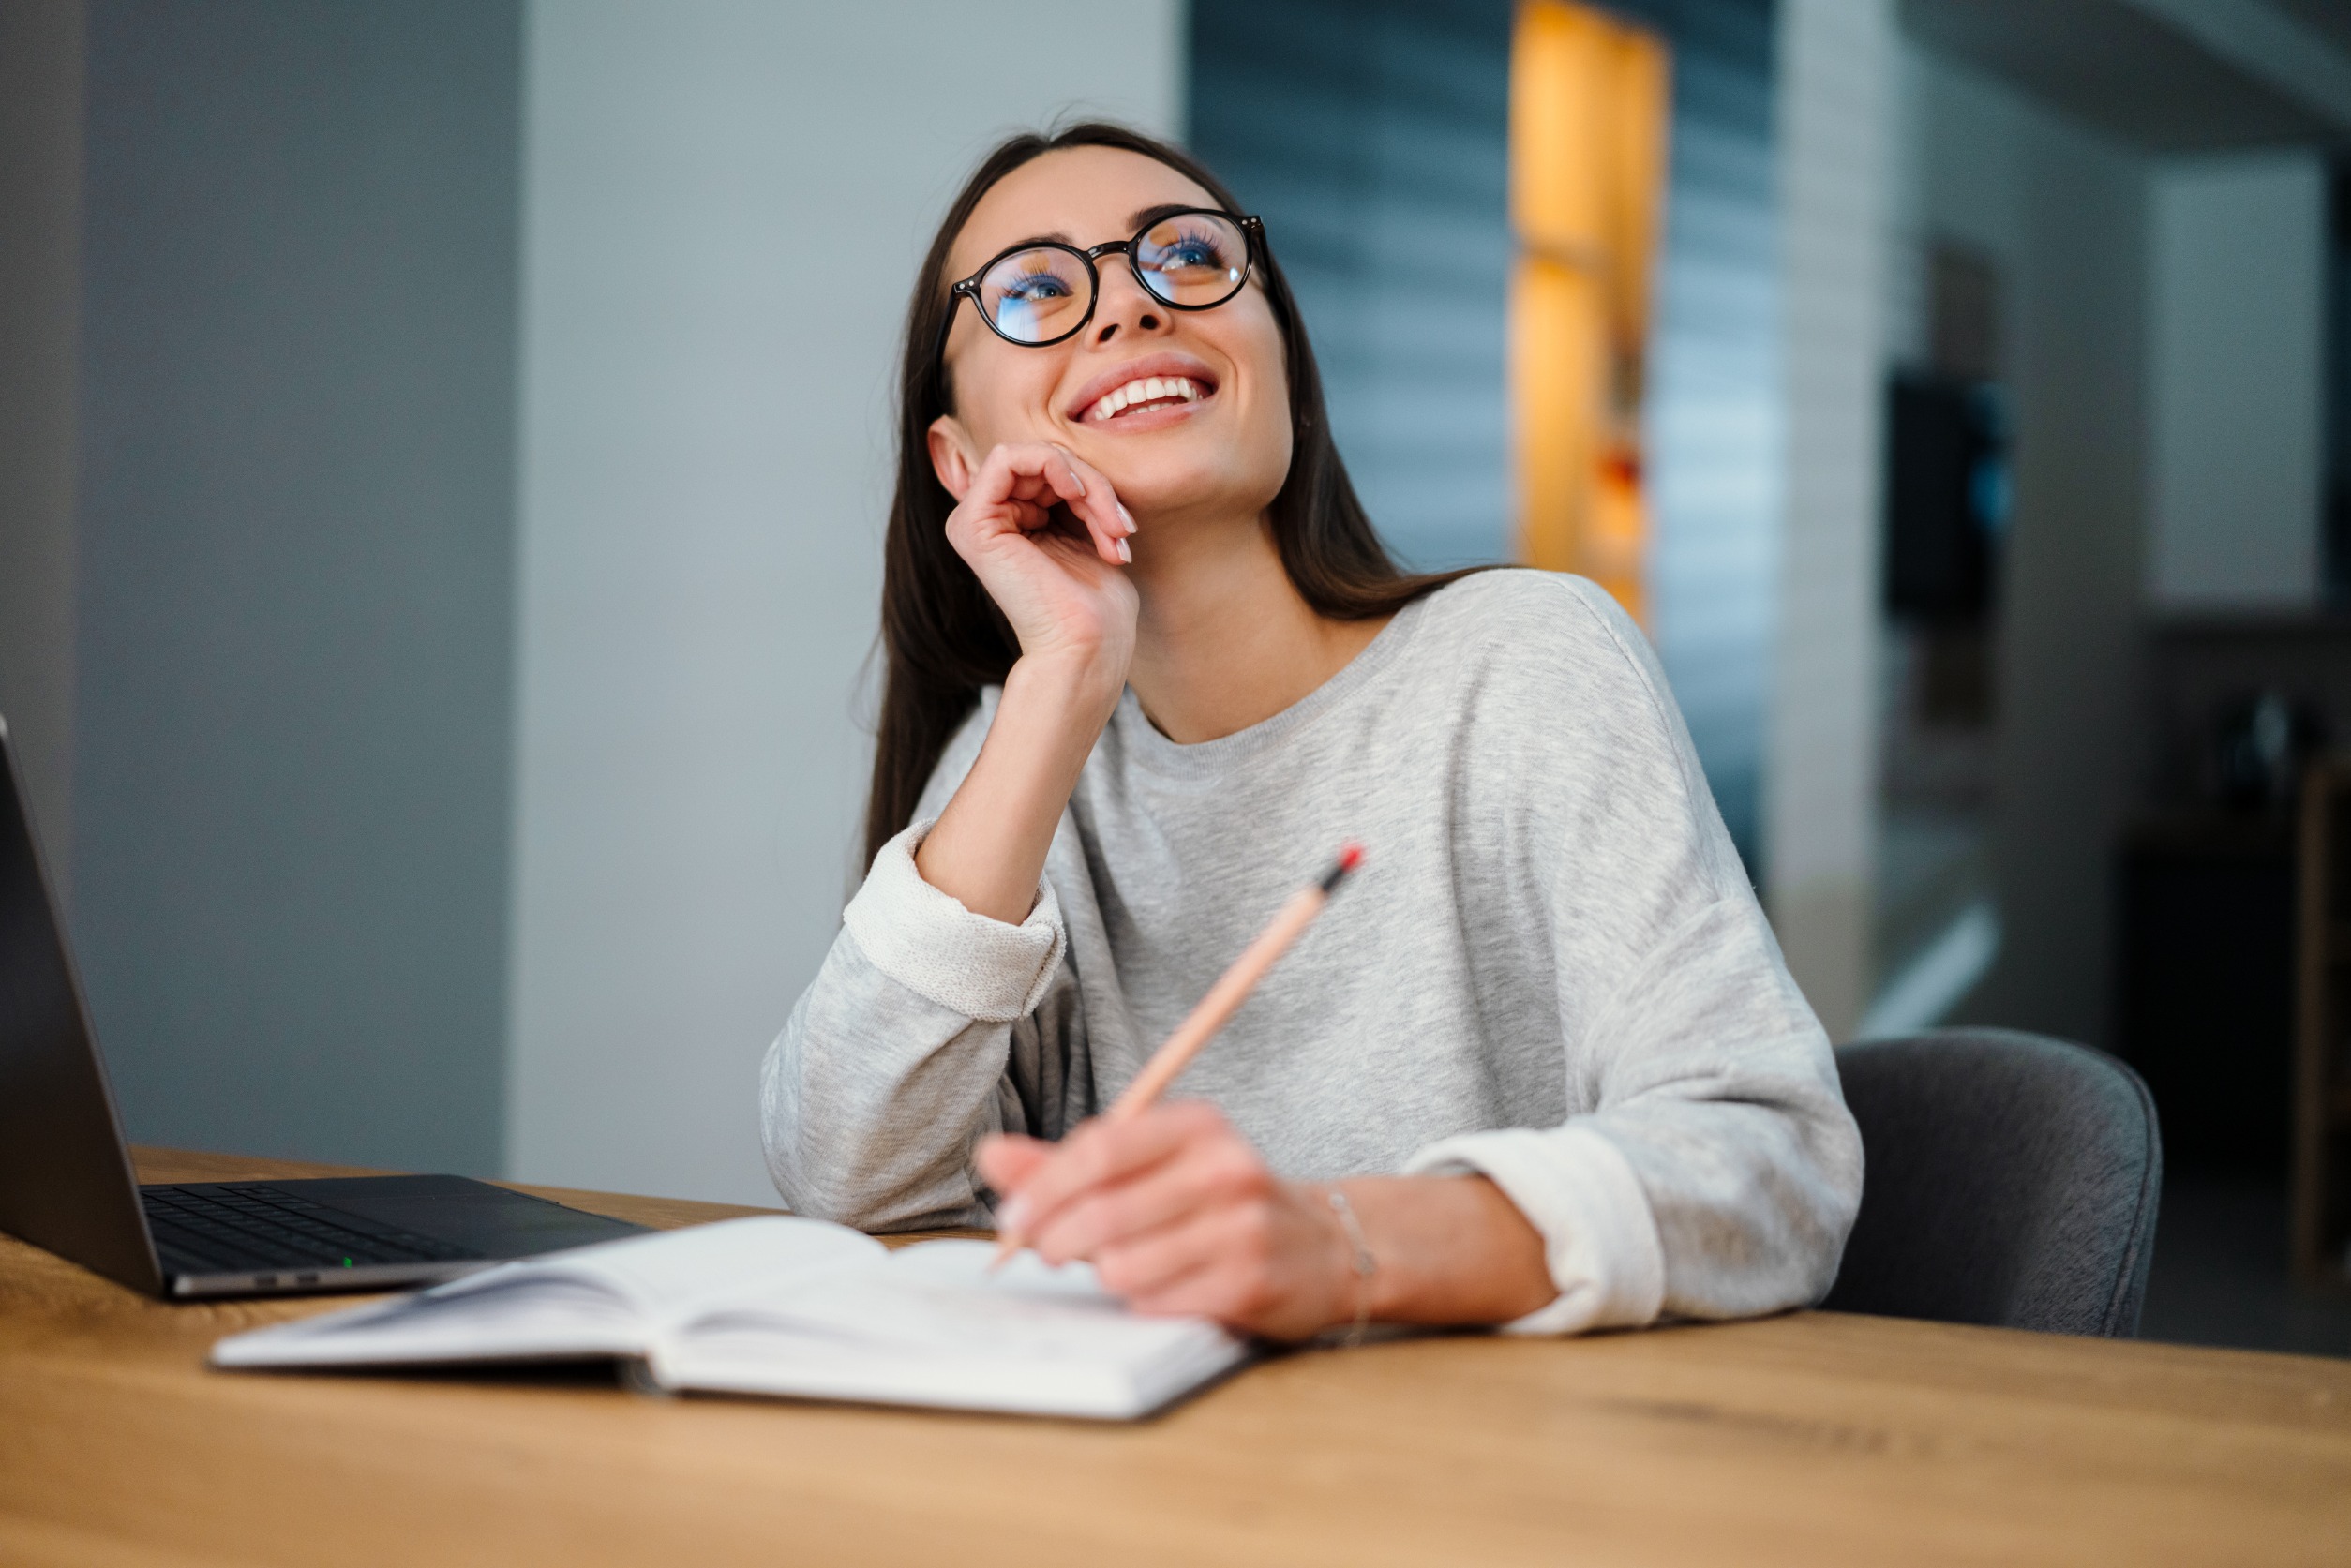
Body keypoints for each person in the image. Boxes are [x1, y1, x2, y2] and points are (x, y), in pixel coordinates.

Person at [762, 123, 1861, 1339]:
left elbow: (1773, 1161)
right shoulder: (1016, 761)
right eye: (1035, 288)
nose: (1130, 304)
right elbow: (848, 1179)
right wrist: (1062, 677)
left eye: (1185, 256)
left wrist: (1342, 1246)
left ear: (1275, 346)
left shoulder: (1524, 662)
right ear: (958, 458)